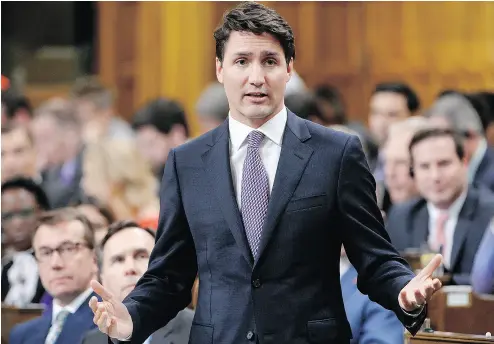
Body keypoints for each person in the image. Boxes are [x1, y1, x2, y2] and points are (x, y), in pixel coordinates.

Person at [89, 3, 442, 344]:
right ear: (220, 69)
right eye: (241, 61)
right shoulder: (186, 162)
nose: (256, 77)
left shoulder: (337, 154)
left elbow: (375, 259)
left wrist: (403, 290)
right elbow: (169, 277)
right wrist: (130, 318)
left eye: (269, 61)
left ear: (289, 69)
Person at [82, 220, 194, 344]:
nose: (130, 268)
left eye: (141, 256)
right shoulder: (91, 341)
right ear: (102, 278)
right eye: (118, 260)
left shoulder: (197, 328)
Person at [9, 208, 98, 344]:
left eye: (68, 249)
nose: (55, 264)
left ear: (94, 258)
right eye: (46, 253)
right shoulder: (21, 335)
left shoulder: (111, 323)